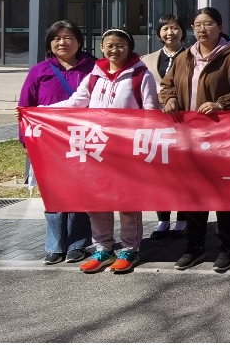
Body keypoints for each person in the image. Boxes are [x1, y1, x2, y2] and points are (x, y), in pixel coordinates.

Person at [52, 28, 160, 275]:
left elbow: (151, 112)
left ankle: (129, 249)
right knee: (97, 200)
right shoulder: (94, 75)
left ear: (129, 48)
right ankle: (103, 249)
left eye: (120, 45)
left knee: (127, 201)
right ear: (102, 48)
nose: (114, 49)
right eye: (109, 45)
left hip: (127, 151)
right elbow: (75, 103)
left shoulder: (141, 75)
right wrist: (39, 111)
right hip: (97, 149)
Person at [159, 6, 230, 273]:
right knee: (194, 194)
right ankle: (194, 248)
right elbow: (166, 85)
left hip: (222, 139)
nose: (203, 29)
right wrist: (170, 99)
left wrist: (220, 103)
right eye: (198, 24)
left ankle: (228, 250)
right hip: (189, 138)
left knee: (225, 195)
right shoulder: (183, 57)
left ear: (220, 28)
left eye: (209, 24)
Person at [17, 20, 95, 266]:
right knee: (53, 194)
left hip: (83, 140)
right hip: (47, 144)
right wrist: (26, 141)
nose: (62, 42)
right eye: (57, 38)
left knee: (79, 193)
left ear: (79, 41)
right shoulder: (39, 70)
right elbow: (25, 108)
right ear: (49, 43)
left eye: (68, 37)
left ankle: (77, 244)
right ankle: (54, 246)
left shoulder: (94, 68)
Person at [142, 13, 189, 241]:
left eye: (174, 27)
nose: (170, 32)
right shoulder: (147, 59)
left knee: (183, 173)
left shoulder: (192, 56)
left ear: (182, 31)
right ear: (159, 34)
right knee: (160, 173)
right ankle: (163, 219)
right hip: (156, 124)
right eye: (165, 29)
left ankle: (183, 218)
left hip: (184, 123)